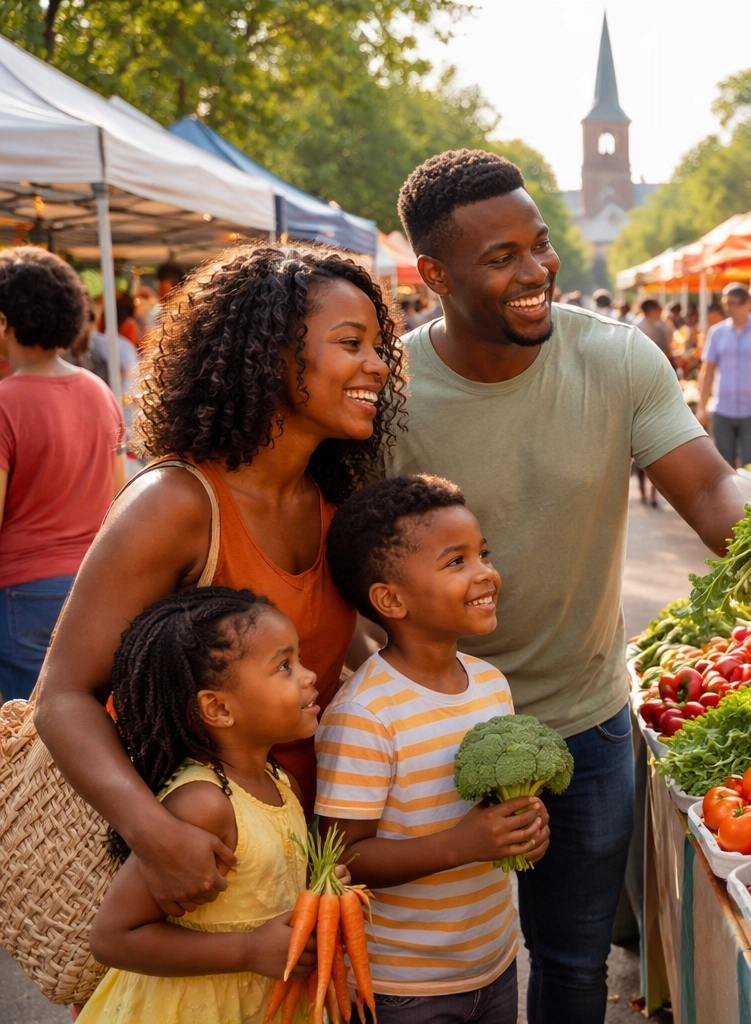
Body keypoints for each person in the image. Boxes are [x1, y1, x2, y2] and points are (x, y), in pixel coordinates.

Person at [388, 150, 745, 1022]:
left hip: (584, 725)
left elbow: (708, 490)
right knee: (437, 978)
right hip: (425, 729)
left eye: (540, 246)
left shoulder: (617, 359)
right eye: (501, 256)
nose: (536, 270)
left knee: (574, 965)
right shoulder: (389, 391)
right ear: (434, 275)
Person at [35, 242, 402, 917]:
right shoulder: (176, 505)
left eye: (380, 347)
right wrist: (155, 835)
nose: (378, 366)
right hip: (197, 871)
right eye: (352, 343)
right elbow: (61, 695)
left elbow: (336, 647)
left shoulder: (333, 505)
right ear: (268, 356)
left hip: (299, 855)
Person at [317, 475, 548, 1021]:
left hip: (493, 962)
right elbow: (342, 857)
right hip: (401, 985)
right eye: (456, 562)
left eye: (483, 554)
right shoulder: (365, 714)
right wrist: (462, 844)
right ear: (391, 599)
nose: (486, 572)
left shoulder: (492, 683)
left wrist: (526, 823)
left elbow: (490, 815)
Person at [77, 589, 326, 1024]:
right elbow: (113, 938)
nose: (309, 675)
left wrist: (323, 890)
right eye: (284, 666)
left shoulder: (282, 783)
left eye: (299, 659)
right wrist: (248, 950)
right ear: (218, 708)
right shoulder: (202, 804)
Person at [0, 248, 124, 701]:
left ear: (4, 322)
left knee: (22, 742)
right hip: (93, 589)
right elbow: (118, 502)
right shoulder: (99, 392)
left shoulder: (5, 402)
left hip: (20, 593)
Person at [697, 282, 751, 468]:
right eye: (727, 303)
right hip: (722, 409)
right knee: (722, 468)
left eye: (735, 303)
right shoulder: (717, 333)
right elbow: (708, 370)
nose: (731, 308)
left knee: (749, 467)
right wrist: (701, 406)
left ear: (747, 304)